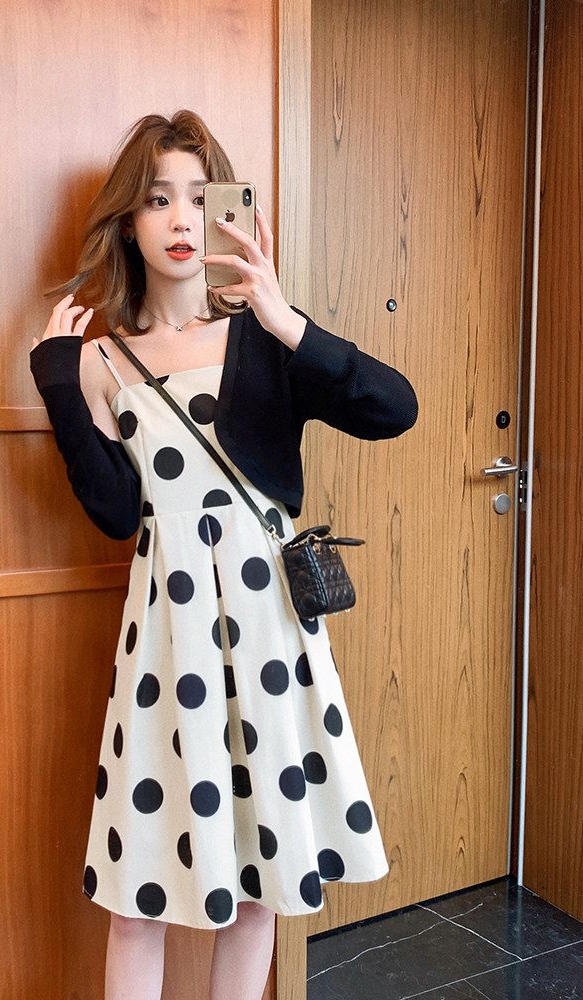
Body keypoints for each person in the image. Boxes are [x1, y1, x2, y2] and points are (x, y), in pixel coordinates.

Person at [30, 110, 417, 1000]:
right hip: (168, 646)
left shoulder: (265, 340)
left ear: (227, 212)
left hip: (269, 633)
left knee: (259, 886)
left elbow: (394, 409)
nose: (181, 219)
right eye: (157, 199)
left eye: (200, 199)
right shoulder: (100, 362)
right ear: (128, 220)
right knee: (140, 897)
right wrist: (58, 383)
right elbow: (114, 511)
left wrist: (286, 319)